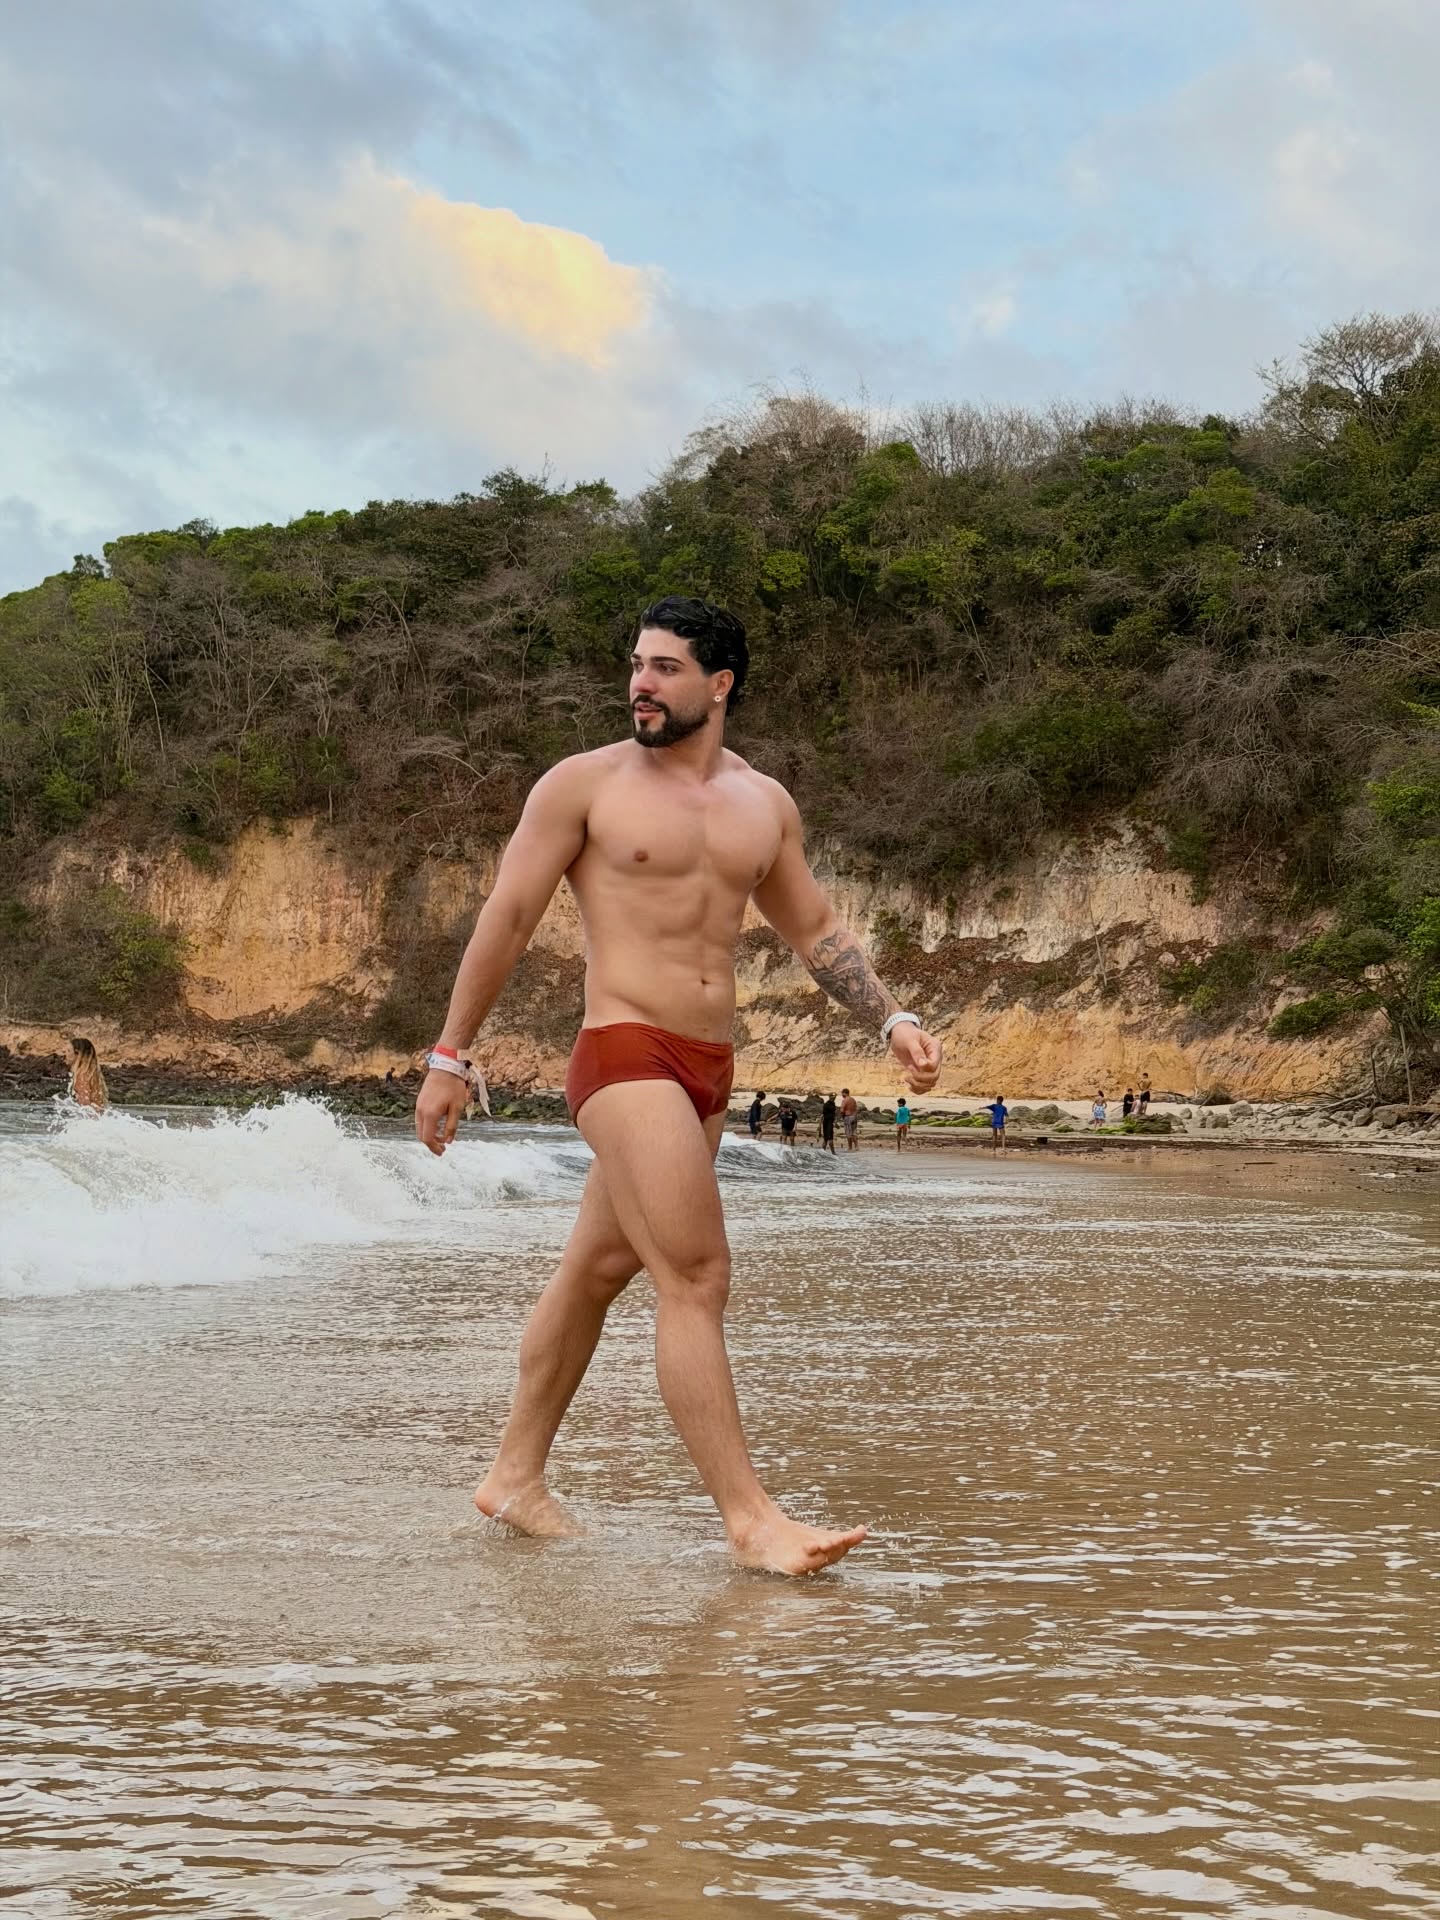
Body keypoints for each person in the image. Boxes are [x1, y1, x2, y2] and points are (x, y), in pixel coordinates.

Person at [415, 595, 942, 1577]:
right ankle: (751, 1521)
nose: (640, 684)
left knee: (597, 1269)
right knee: (696, 1276)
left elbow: (814, 930)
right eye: (636, 664)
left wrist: (892, 1017)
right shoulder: (584, 786)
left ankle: (514, 1477)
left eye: (664, 668)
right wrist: (451, 1057)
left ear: (720, 683)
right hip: (624, 1052)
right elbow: (509, 915)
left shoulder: (762, 804)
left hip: (706, 1069)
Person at [67, 1035, 107, 1112]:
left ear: (78, 1054)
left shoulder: (82, 1076)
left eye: (69, 1051)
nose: (65, 1054)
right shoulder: (92, 1075)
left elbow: (85, 1106)